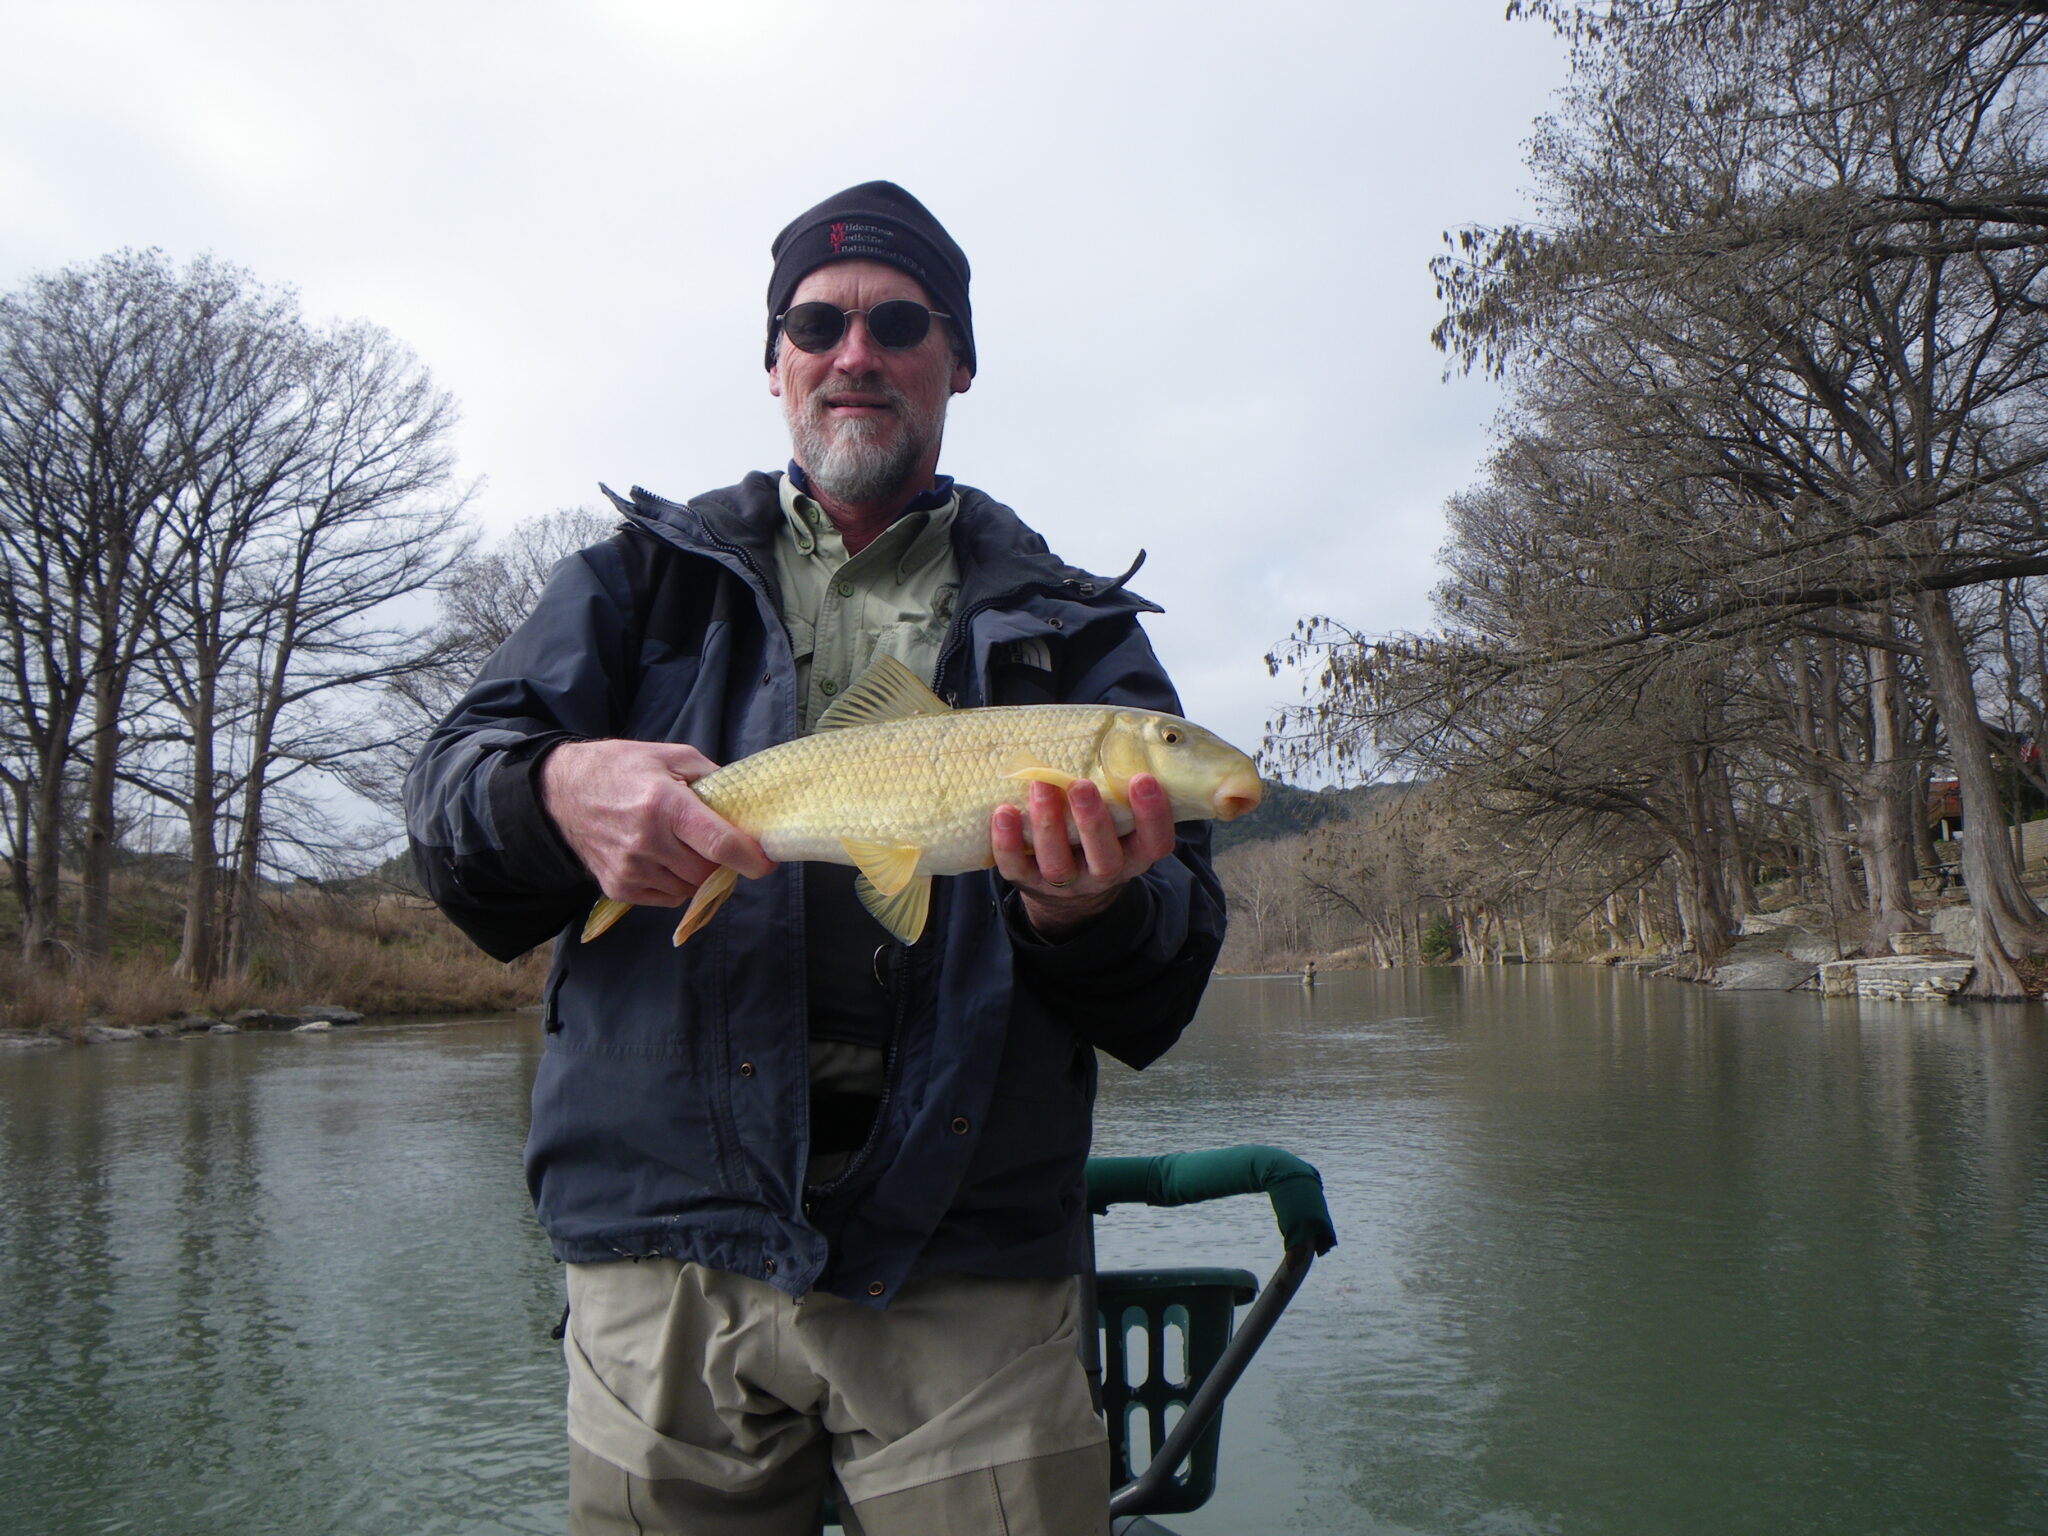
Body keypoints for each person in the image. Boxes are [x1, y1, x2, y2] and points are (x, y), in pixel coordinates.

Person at [406, 181, 1228, 1536]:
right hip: (662, 1258)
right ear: (776, 359)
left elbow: (1163, 987)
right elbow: (445, 811)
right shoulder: (629, 585)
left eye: (901, 321)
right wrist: (556, 789)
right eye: (818, 322)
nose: (858, 352)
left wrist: (1085, 912)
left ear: (957, 361)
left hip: (969, 1266)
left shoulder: (1081, 644)